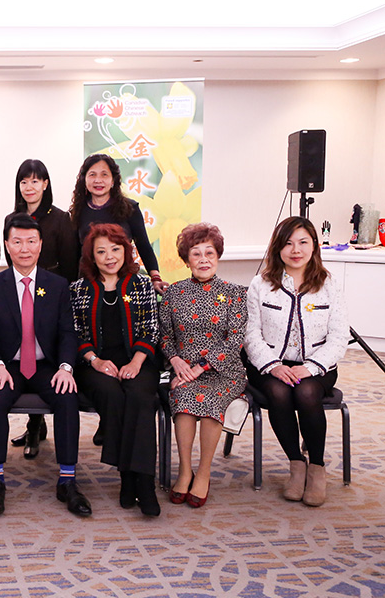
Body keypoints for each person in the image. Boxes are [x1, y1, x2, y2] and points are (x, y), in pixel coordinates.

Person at [0, 213, 90, 518]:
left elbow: (67, 332)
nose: (24, 248)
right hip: (9, 365)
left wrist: (66, 367)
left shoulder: (58, 285)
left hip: (46, 365)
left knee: (67, 396)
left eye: (31, 241)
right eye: (17, 242)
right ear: (7, 245)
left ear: (40, 245)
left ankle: (67, 480)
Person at [244, 216, 349, 507]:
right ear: (278, 248)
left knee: (305, 391)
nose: (296, 250)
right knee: (279, 392)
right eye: (288, 243)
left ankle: (316, 467)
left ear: (314, 245)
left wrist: (311, 368)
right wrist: (273, 366)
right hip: (269, 364)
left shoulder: (328, 284)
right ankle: (296, 463)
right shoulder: (261, 284)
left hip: (316, 365)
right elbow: (251, 334)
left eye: (303, 242)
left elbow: (339, 336)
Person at [70, 224, 161, 516]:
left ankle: (143, 482)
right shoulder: (79, 289)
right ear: (91, 256)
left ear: (125, 251)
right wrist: (95, 360)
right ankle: (127, 477)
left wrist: (135, 363)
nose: (109, 257)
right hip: (94, 363)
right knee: (112, 395)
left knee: (141, 397)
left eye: (115, 249)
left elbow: (151, 330)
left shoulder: (142, 284)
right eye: (101, 251)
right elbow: (75, 334)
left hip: (138, 359)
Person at [159, 222, 246, 509]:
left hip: (224, 372)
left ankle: (204, 472)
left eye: (209, 252)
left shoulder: (235, 293)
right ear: (187, 260)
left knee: (210, 402)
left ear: (218, 256)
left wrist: (201, 367)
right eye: (196, 254)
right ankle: (185, 471)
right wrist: (175, 360)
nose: (204, 259)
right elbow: (164, 336)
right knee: (183, 398)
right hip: (184, 370)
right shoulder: (173, 293)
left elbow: (235, 340)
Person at [5, 159, 79, 458]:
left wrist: (61, 296)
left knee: (45, 359)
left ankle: (35, 428)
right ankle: (35, 425)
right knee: (24, 354)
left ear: (46, 184)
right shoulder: (12, 217)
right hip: (21, 295)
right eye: (24, 181)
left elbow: (70, 264)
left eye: (36, 181)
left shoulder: (61, 218)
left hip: (52, 297)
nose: (29, 187)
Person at [69, 154, 167, 295]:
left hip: (124, 282)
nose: (98, 180)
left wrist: (155, 277)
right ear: (84, 179)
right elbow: (74, 253)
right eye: (92, 175)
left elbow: (144, 246)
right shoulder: (78, 211)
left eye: (104, 175)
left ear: (113, 180)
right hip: (90, 284)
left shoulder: (129, 209)